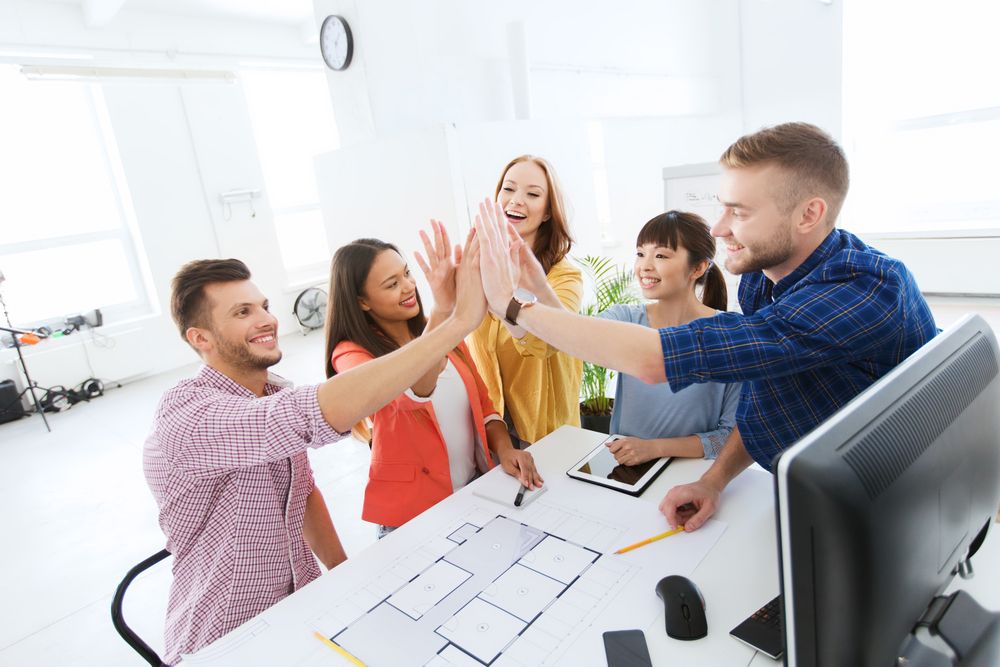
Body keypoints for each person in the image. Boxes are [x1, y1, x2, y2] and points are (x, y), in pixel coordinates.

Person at [470, 122, 937, 531]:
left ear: (809, 214)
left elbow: (656, 359)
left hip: (890, 504)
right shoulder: (761, 278)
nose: (718, 227)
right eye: (723, 207)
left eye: (740, 212)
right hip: (807, 487)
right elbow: (763, 399)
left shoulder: (865, 290)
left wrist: (513, 307)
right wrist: (714, 482)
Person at [144, 253, 487, 664]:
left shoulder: (273, 391)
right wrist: (452, 321)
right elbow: (310, 414)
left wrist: (343, 573)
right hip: (224, 638)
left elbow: (302, 493)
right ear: (201, 338)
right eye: (242, 312)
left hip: (299, 610)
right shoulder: (189, 415)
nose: (266, 320)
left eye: (264, 307)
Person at [324, 228, 542, 536]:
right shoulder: (350, 356)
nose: (409, 287)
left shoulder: (438, 331)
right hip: (412, 518)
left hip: (472, 494)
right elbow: (414, 397)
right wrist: (444, 313)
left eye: (407, 274)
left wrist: (506, 449)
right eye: (392, 284)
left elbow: (484, 406)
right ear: (362, 301)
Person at [600, 211, 740, 466]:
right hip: (623, 471)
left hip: (691, 477)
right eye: (641, 254)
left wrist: (654, 448)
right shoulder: (625, 318)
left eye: (661, 255)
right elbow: (571, 333)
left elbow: (727, 438)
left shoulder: (731, 335)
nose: (645, 266)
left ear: (698, 267)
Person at [467, 155, 583, 447]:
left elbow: (547, 344)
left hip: (545, 431)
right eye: (508, 189)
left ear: (547, 212)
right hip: (491, 426)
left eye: (532, 194)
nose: (516, 200)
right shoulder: (478, 264)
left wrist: (505, 304)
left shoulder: (565, 278)